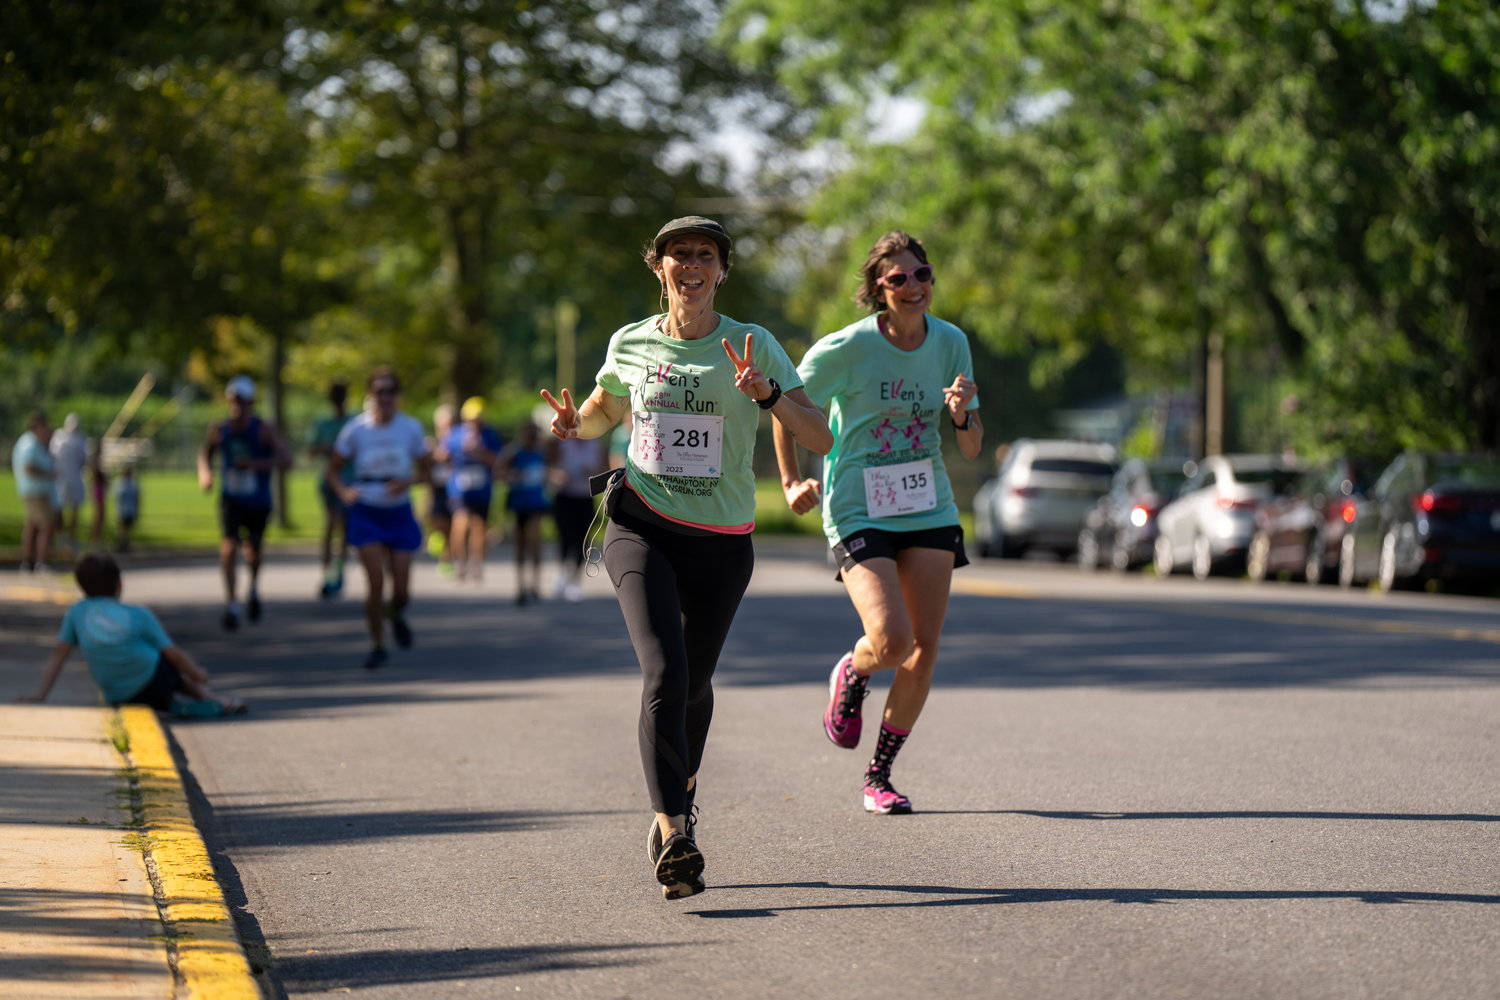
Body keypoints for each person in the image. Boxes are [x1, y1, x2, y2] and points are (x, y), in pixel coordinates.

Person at [541, 215, 832, 899]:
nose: (692, 266)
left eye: (706, 255)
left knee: (694, 684)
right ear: (658, 267)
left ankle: (681, 792)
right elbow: (602, 413)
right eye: (679, 256)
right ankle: (674, 830)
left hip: (724, 542)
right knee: (665, 671)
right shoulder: (632, 342)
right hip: (641, 523)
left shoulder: (753, 344)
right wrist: (571, 426)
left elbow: (818, 430)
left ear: (722, 271)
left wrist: (766, 394)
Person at [774, 230, 983, 815]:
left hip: (929, 504)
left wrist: (962, 414)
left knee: (924, 648)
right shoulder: (845, 348)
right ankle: (854, 667)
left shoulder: (950, 343)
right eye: (897, 278)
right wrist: (792, 480)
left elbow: (970, 447)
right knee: (892, 641)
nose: (912, 286)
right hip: (858, 504)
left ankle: (879, 775)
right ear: (877, 289)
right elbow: (784, 405)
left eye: (922, 274)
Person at [16, 552, 246, 716]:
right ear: (119, 584)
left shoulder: (77, 612)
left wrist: (40, 694)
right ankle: (213, 698)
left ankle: (169, 701)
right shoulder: (138, 614)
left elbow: (59, 654)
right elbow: (173, 654)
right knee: (171, 667)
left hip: (117, 693)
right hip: (155, 681)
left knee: (158, 672)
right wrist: (197, 673)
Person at [329, 366, 431, 670]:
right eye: (378, 391)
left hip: (398, 510)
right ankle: (377, 644)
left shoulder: (410, 428)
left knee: (401, 591)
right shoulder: (355, 429)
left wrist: (407, 482)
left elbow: (427, 472)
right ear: (370, 395)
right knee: (375, 581)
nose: (384, 397)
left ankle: (396, 613)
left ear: (397, 396)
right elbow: (332, 469)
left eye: (390, 391)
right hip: (366, 509)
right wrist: (343, 492)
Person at [198, 376, 292, 632]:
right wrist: (205, 474)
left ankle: (252, 588)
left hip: (259, 501)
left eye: (242, 401)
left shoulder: (264, 429)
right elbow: (205, 453)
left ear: (251, 403)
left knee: (253, 551)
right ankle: (231, 605)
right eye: (233, 400)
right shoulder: (219, 428)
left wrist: (256, 465)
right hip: (231, 498)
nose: (237, 405)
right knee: (229, 547)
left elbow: (286, 460)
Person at [444, 397, 504, 582]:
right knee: (460, 524)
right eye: (470, 419)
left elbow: (498, 461)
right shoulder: (455, 433)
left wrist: (480, 450)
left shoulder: (490, 435)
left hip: (482, 489)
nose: (474, 423)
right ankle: (460, 563)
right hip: (460, 488)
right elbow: (442, 454)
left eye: (477, 419)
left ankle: (476, 565)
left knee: (479, 528)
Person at [307, 381, 354, 598]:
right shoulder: (322, 422)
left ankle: (339, 572)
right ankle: (327, 573)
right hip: (329, 480)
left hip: (350, 480)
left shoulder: (354, 421)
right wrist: (327, 448)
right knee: (330, 523)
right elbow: (311, 451)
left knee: (344, 528)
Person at [496, 420, 550, 603]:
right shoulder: (513, 452)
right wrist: (513, 476)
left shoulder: (541, 453)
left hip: (536, 502)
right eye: (529, 435)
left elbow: (548, 472)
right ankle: (520, 585)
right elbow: (499, 473)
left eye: (534, 435)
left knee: (534, 541)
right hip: (518, 503)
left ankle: (535, 584)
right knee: (519, 544)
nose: (531, 439)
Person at [550, 433, 606, 602]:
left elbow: (604, 469)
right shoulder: (563, 445)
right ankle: (562, 573)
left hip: (584, 498)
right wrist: (558, 475)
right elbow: (548, 466)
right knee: (565, 536)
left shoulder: (596, 447)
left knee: (583, 540)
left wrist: (593, 472)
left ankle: (575, 580)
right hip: (565, 496)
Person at [11, 411, 56, 573]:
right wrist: (48, 475)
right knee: (46, 525)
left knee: (32, 525)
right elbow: (29, 467)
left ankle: (28, 560)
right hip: (35, 490)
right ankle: (41, 561)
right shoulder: (30, 443)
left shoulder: (32, 442)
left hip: (33, 490)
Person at [50, 413, 88, 556]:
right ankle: (60, 537)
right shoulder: (58, 437)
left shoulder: (80, 439)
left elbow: (83, 460)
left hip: (75, 479)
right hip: (61, 480)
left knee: (73, 510)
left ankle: (72, 538)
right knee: (58, 508)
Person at [426, 404, 456, 578]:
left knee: (453, 526)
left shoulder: (459, 440)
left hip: (455, 488)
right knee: (440, 524)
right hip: (438, 488)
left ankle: (449, 559)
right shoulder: (431, 442)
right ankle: (444, 555)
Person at [115, 466, 140, 552]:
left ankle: (125, 543)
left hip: (130, 509)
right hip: (122, 509)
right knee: (122, 527)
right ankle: (121, 543)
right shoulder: (120, 483)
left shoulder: (133, 483)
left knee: (127, 527)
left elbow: (137, 497)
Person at [89, 441, 108, 545]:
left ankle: (97, 539)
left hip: (98, 489)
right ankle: (95, 539)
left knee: (100, 516)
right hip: (98, 490)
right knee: (99, 516)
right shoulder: (95, 463)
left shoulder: (96, 462)